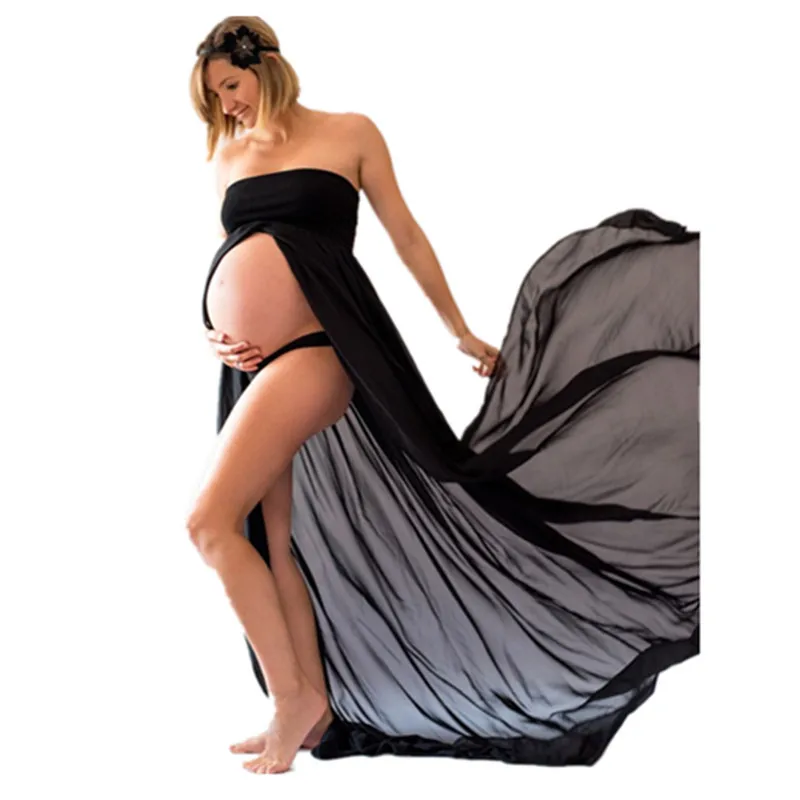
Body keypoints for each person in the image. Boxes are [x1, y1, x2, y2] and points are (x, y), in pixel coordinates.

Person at [188, 16, 700, 777]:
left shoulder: (349, 132)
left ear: (263, 65)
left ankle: (292, 699)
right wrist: (214, 329)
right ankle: (308, 704)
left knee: (207, 524)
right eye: (213, 99)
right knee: (275, 537)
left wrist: (459, 330)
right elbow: (235, 253)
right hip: (251, 369)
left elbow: (406, 236)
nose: (226, 106)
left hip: (320, 352)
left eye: (229, 86)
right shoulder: (228, 156)